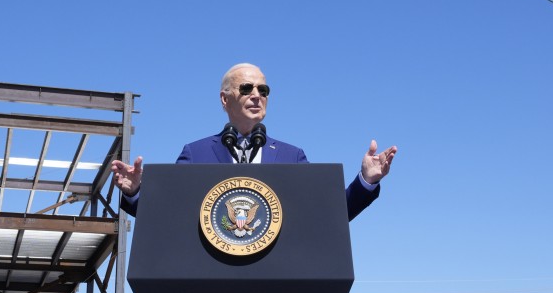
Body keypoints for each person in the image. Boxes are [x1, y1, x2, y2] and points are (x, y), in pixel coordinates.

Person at [110, 63, 397, 220]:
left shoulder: (292, 156)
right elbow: (167, 214)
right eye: (246, 88)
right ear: (225, 99)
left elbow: (328, 215)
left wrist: (365, 181)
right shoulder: (195, 154)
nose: (257, 94)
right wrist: (136, 192)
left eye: (263, 88)